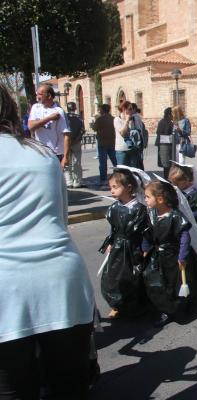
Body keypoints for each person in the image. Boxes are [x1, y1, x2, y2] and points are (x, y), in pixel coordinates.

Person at [0, 84, 95, 398]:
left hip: (6, 290)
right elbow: (60, 219)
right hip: (61, 281)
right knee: (69, 387)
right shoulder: (40, 154)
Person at [142, 181, 197, 327]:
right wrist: (145, 248)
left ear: (160, 199)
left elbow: (185, 236)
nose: (145, 199)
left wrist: (182, 256)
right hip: (157, 256)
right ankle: (166, 308)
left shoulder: (175, 216)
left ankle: (180, 307)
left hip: (173, 256)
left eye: (147, 197)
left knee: (175, 283)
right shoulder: (152, 214)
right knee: (159, 282)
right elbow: (148, 234)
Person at [100, 170, 147, 319]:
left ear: (128, 188)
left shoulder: (139, 209)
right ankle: (117, 305)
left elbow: (144, 232)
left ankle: (135, 306)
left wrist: (144, 249)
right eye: (111, 187)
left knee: (132, 277)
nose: (112, 190)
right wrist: (110, 242)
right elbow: (113, 229)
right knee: (112, 277)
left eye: (115, 187)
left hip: (132, 249)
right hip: (117, 249)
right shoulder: (114, 208)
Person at [168, 163, 197, 288]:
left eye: (177, 183)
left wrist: (187, 217)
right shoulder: (179, 192)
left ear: (188, 180)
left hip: (195, 226)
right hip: (184, 225)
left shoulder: (194, 194)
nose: (176, 186)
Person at [28, 83, 71, 169]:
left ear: (49, 96)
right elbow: (31, 126)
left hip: (55, 154)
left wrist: (66, 157)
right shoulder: (35, 107)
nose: (37, 96)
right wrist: (49, 118)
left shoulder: (58, 111)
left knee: (55, 181)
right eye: (37, 94)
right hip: (40, 153)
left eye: (40, 94)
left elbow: (66, 135)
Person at [63, 102, 86, 188]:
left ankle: (68, 181)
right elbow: (82, 130)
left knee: (67, 162)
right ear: (75, 108)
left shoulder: (64, 117)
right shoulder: (79, 118)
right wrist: (77, 139)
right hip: (76, 142)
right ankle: (77, 181)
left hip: (66, 141)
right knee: (77, 162)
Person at [114, 101, 143, 169]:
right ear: (124, 109)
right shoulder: (117, 120)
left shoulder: (134, 118)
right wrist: (126, 121)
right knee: (123, 172)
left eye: (132, 108)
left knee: (135, 171)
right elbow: (122, 133)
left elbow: (140, 131)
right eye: (130, 109)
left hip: (134, 149)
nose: (132, 111)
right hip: (121, 150)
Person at [94, 104, 118, 187]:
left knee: (103, 163)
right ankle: (119, 176)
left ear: (103, 110)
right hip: (112, 142)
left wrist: (96, 119)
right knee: (115, 161)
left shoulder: (99, 119)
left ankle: (103, 179)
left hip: (102, 143)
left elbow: (94, 128)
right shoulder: (113, 119)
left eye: (100, 109)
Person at [156, 107, 174, 177]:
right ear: (169, 114)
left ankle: (167, 180)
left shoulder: (164, 121)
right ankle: (167, 181)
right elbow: (165, 133)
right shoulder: (166, 122)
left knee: (167, 166)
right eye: (172, 114)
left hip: (165, 144)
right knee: (167, 165)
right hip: (165, 145)